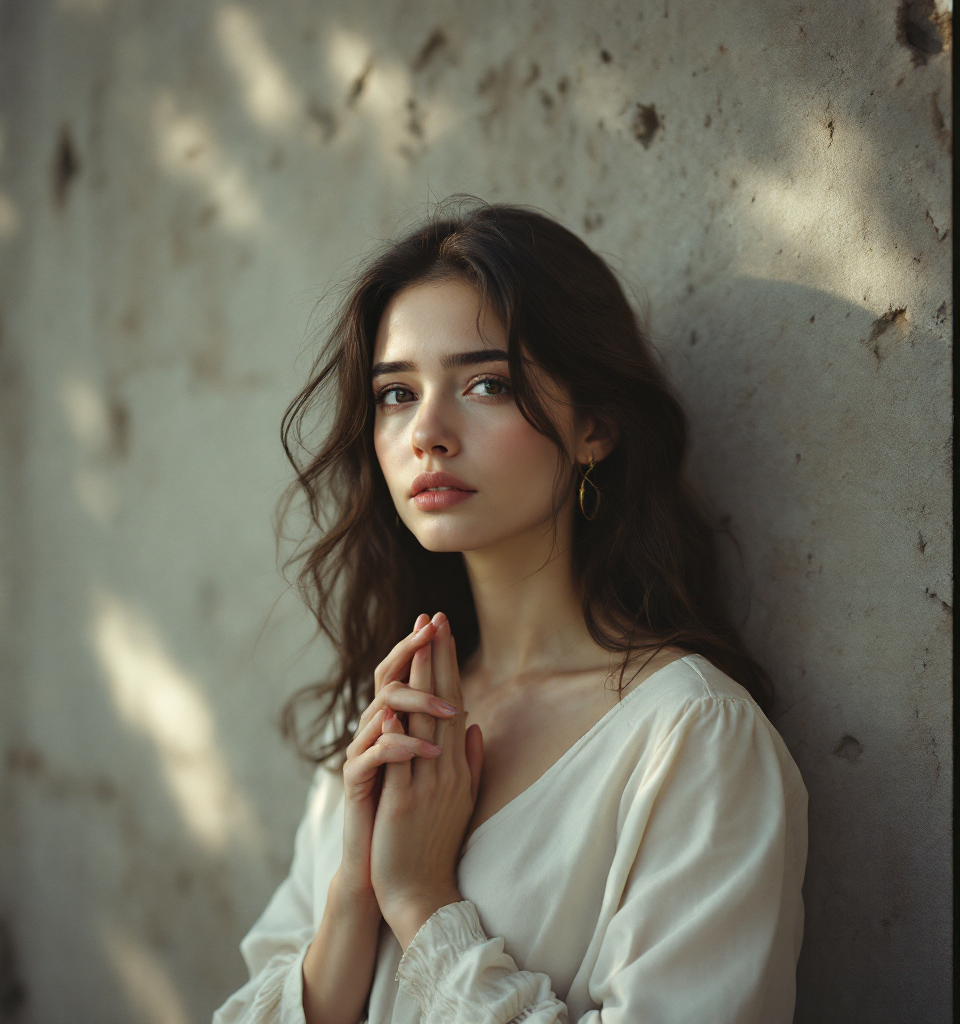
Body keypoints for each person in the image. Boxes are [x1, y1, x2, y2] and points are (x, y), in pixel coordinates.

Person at [213, 200, 808, 1024]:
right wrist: (354, 889)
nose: (427, 431)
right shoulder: (391, 715)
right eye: (395, 394)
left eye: (486, 384)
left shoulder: (690, 735)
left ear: (594, 425)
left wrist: (422, 902)